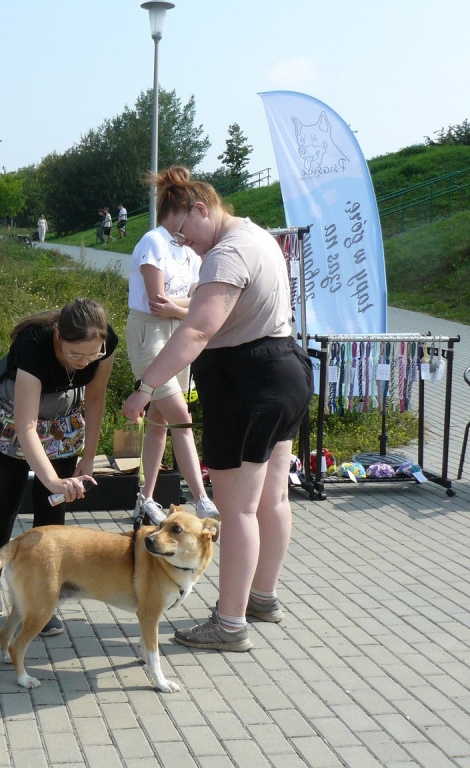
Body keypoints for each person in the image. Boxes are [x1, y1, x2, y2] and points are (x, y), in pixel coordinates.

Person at [122, 166, 312, 653]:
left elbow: (197, 332)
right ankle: (261, 599)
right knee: (271, 500)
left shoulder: (227, 252)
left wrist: (145, 386)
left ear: (200, 209)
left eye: (184, 233)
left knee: (237, 509)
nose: (186, 246)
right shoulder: (258, 236)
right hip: (283, 370)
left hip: (248, 384)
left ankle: (229, 624)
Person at [0, 299, 117, 636]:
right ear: (58, 337)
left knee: (52, 510)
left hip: (63, 417)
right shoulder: (34, 344)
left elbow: (95, 399)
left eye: (92, 356)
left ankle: (42, 601)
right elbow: (25, 427)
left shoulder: (106, 341)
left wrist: (87, 457)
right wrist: (52, 478)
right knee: (5, 500)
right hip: (16, 414)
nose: (84, 364)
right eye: (75, 355)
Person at [126, 220, 218, 523]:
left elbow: (197, 303)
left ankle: (145, 498)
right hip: (149, 334)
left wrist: (177, 309)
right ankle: (201, 497)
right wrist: (183, 307)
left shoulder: (192, 252)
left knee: (159, 419)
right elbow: (156, 302)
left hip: (179, 333)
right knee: (181, 416)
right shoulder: (154, 242)